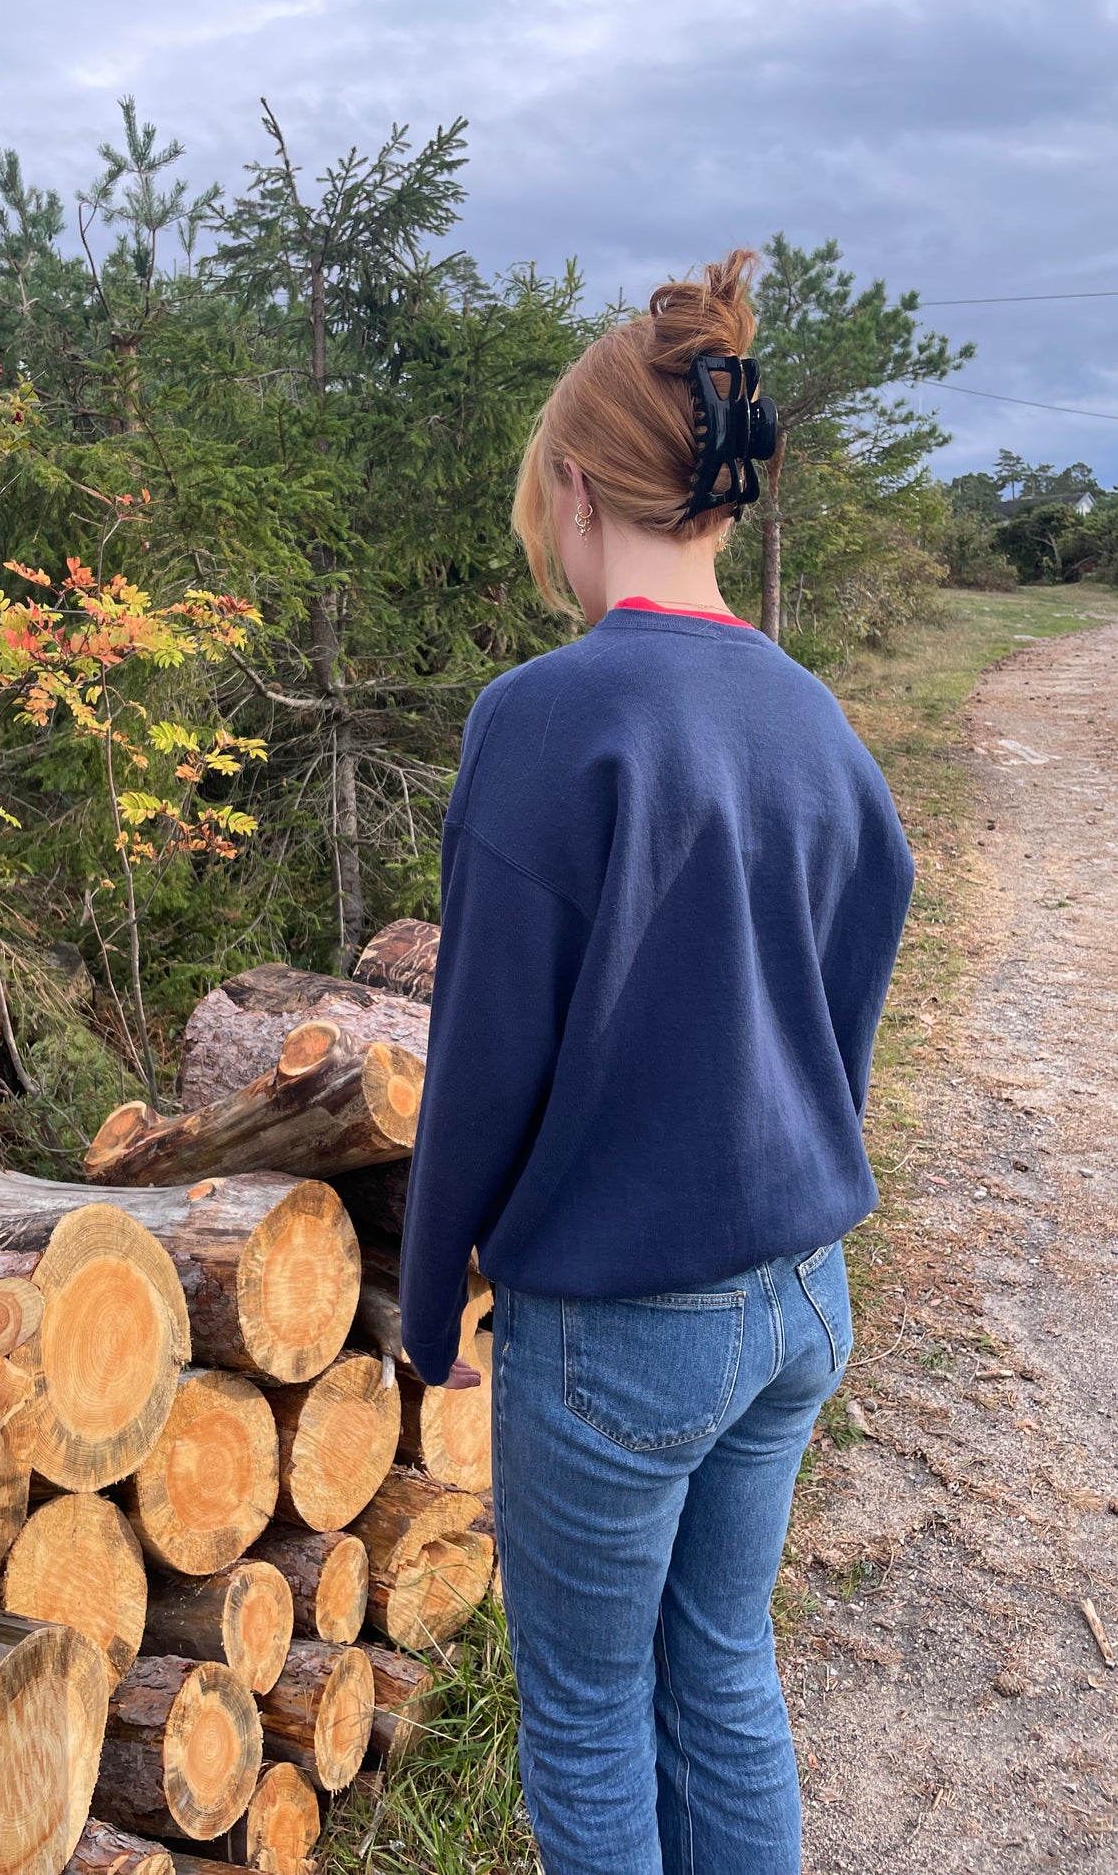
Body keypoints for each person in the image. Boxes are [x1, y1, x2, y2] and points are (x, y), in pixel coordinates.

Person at [398, 249, 915, 1875]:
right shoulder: (811, 715)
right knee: (720, 1671)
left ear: (569, 486)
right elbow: (854, 979)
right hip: (797, 1294)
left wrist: (426, 1304)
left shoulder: (552, 714)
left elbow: (484, 1057)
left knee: (585, 1705)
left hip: (624, 1321)